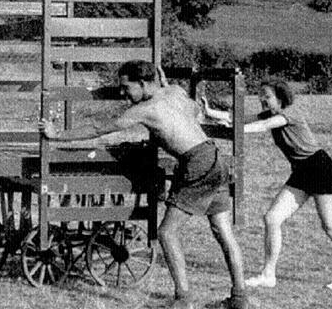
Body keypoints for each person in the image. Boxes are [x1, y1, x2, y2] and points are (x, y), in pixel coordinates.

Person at [40, 60, 247, 309]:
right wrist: (166, 87)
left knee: (166, 233)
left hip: (196, 164)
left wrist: (57, 134)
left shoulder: (145, 109)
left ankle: (183, 300)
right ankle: (239, 298)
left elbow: (99, 128)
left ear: (142, 83)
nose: (122, 93)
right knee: (223, 232)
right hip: (215, 157)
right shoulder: (176, 92)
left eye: (126, 87)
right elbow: (194, 111)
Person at [203, 80, 332, 291]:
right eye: (260, 95)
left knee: (331, 227)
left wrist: (237, 131)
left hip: (321, 170)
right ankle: (268, 275)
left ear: (280, 97)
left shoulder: (289, 114)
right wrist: (210, 111)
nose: (262, 99)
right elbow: (237, 119)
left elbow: (260, 127)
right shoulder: (269, 114)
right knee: (272, 218)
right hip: (301, 172)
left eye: (267, 96)